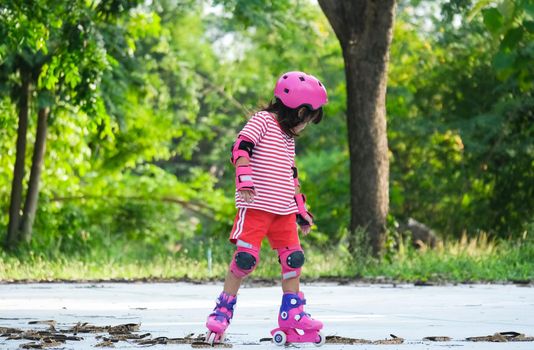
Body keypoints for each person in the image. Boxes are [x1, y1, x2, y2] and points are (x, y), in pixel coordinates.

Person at [205, 71, 328, 346]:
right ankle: (222, 312)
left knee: (293, 260)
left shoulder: (288, 139)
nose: (306, 127)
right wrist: (244, 176)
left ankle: (293, 315)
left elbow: (290, 175)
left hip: (283, 211)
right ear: (299, 111)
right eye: (307, 120)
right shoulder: (262, 121)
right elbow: (241, 147)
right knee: (244, 260)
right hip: (256, 206)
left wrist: (300, 210)